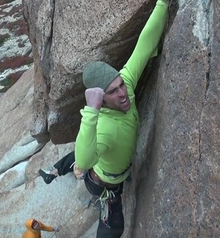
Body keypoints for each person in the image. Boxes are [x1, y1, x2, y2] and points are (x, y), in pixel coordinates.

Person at [38, 0, 169, 237]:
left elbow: (144, 43)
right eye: (113, 92)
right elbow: (86, 159)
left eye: (120, 84)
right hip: (103, 184)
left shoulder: (126, 83)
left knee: (80, 155)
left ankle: (54, 170)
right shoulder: (105, 127)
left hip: (102, 160)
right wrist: (91, 113)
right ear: (101, 99)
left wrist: (162, 3)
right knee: (113, 226)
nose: (123, 93)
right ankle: (62, 171)